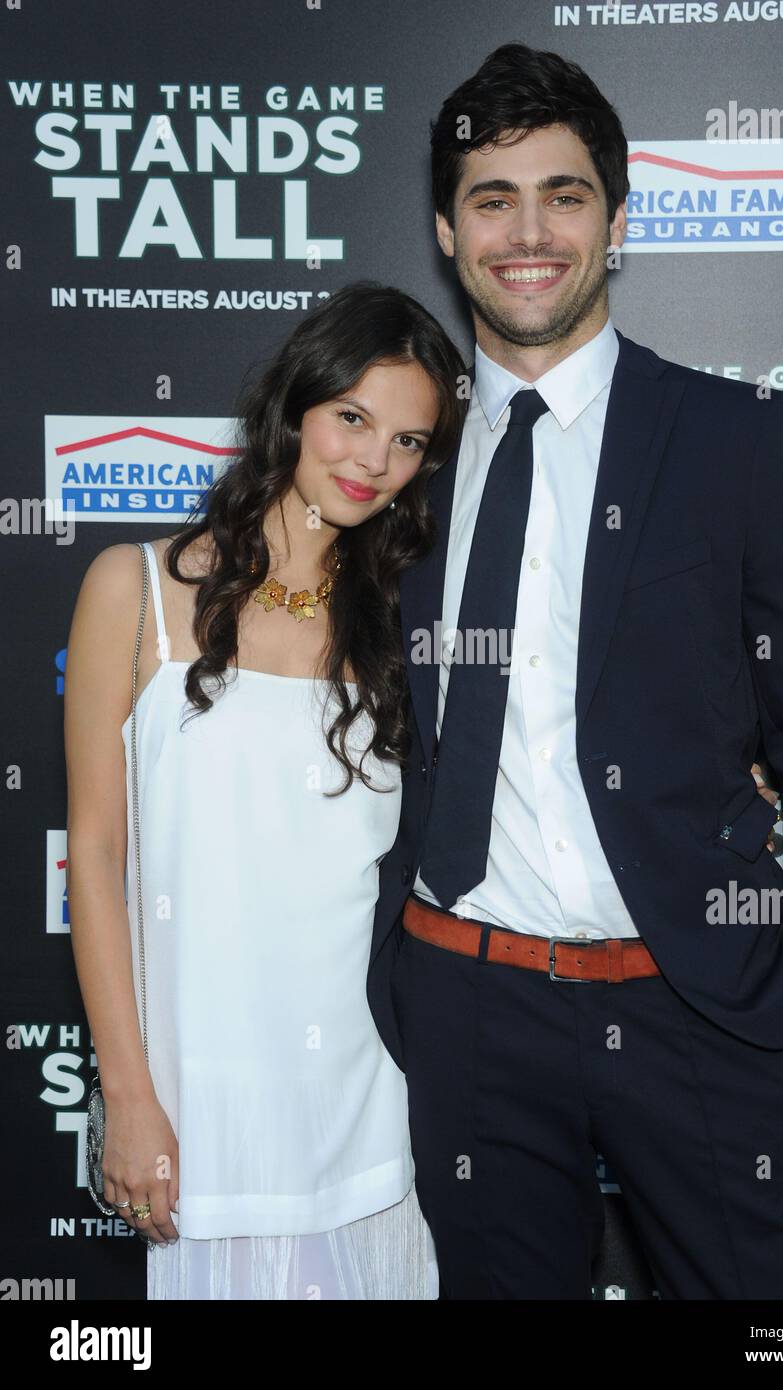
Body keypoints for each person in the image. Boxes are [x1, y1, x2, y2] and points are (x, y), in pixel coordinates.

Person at [366, 44, 783, 1300]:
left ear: (615, 218)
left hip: (697, 1007)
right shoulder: (390, 465)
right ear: (448, 229)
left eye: (564, 194)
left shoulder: (736, 438)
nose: (528, 233)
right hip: (468, 1008)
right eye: (493, 199)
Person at [64, 283, 467, 1299]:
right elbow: (97, 858)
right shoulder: (136, 589)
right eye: (353, 419)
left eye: (410, 441)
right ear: (295, 408)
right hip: (203, 1107)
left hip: (373, 1108)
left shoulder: (408, 625)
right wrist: (129, 1093)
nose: (374, 461)